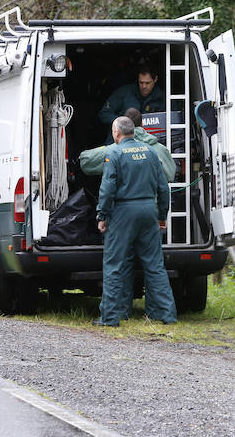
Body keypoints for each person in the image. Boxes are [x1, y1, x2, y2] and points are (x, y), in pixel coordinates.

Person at [95, 116, 177, 326]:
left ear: (116, 133)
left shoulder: (114, 153)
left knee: (114, 265)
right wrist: (161, 215)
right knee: (155, 265)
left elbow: (107, 189)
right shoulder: (151, 152)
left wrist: (102, 215)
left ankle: (110, 317)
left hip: (123, 212)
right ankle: (166, 314)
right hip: (149, 211)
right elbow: (163, 188)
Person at [78, 108, 176, 182]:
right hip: (151, 206)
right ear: (142, 124)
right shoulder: (160, 149)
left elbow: (85, 161)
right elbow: (170, 175)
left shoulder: (113, 151)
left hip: (123, 207)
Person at [98, 66, 165, 126]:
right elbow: (104, 113)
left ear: (155, 79)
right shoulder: (124, 92)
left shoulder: (163, 97)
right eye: (141, 82)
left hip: (152, 137)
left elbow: (173, 118)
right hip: (123, 136)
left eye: (147, 83)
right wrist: (122, 122)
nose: (144, 86)